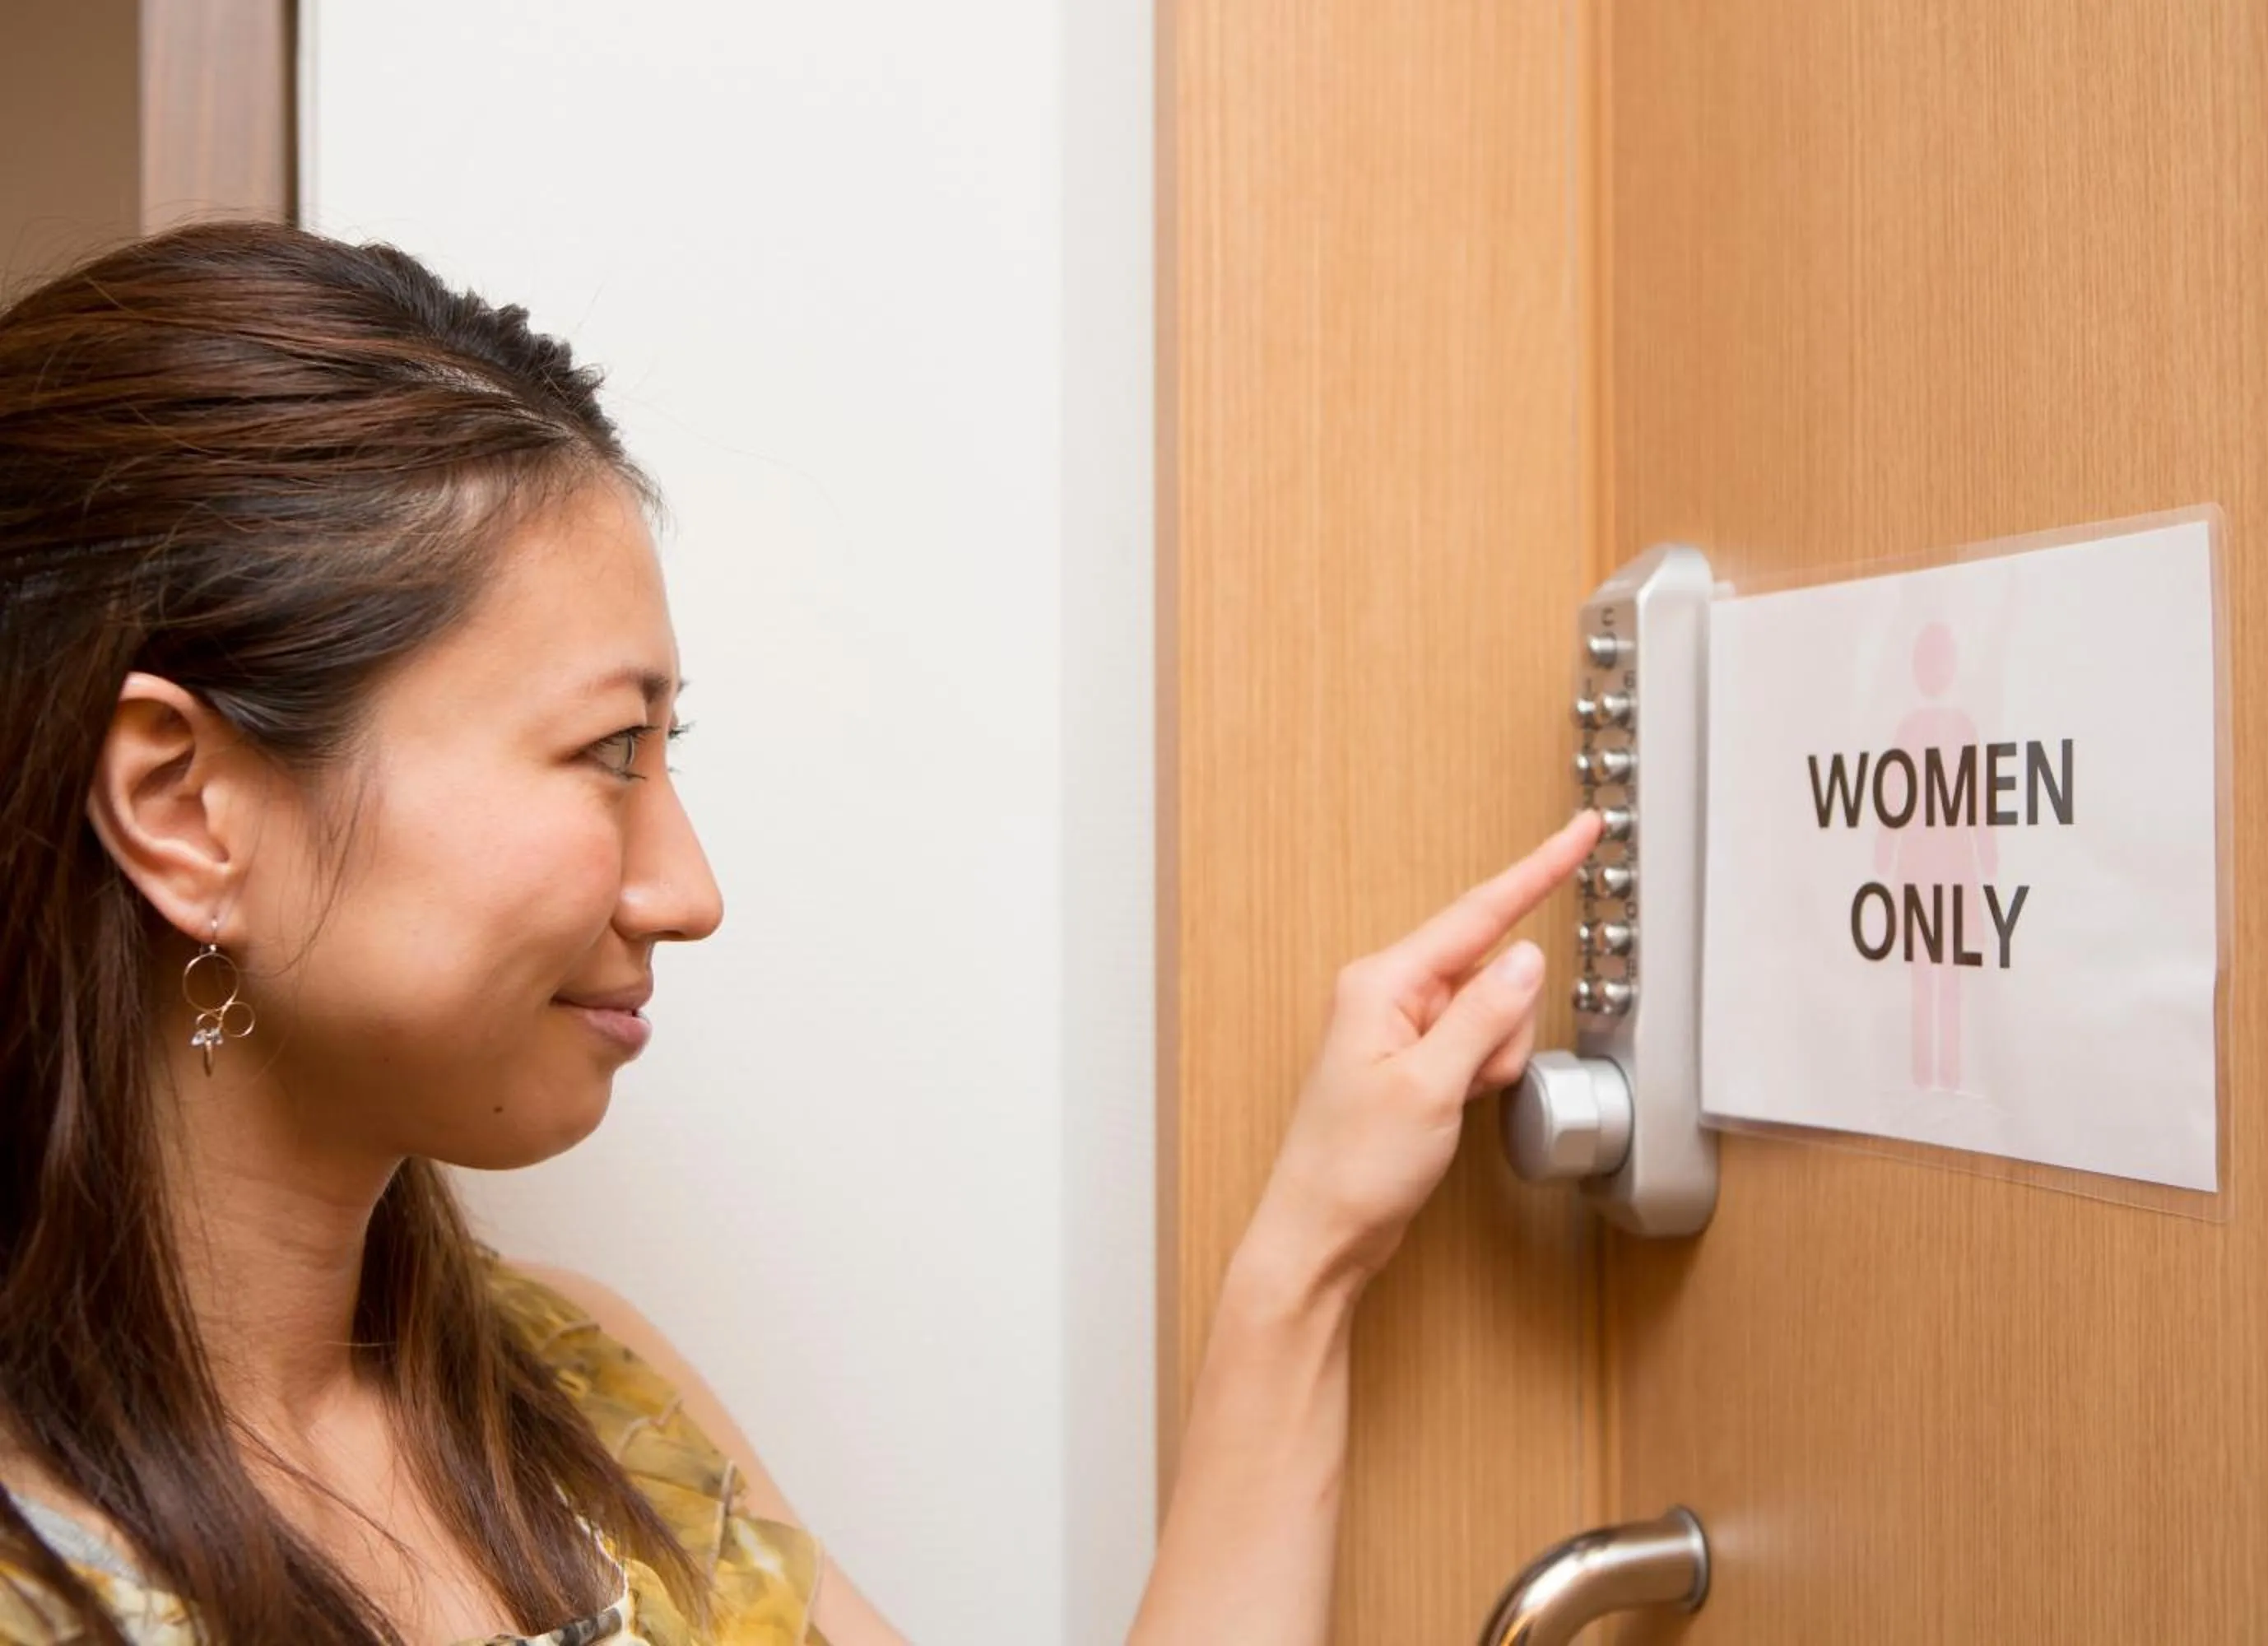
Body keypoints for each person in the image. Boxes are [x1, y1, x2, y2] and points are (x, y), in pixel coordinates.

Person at [0, 221, 1602, 1646]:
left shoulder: (582, 1399)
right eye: (605, 752)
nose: (687, 890)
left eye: (666, 755)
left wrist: (1309, 1255)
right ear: (188, 807)